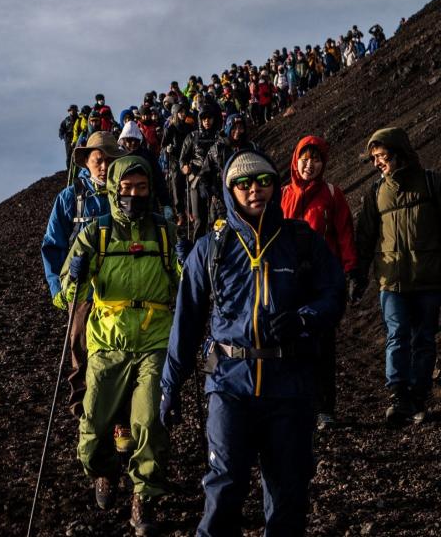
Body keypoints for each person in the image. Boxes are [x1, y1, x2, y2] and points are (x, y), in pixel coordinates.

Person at [161, 150, 346, 536]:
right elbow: (187, 321)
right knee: (225, 485)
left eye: (263, 181)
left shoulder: (300, 240)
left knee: (287, 494)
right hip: (230, 384)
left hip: (289, 385)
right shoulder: (210, 249)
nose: (254, 190)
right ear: (230, 191)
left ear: (275, 185)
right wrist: (169, 386)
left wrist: (302, 319)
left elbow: (333, 293)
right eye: (243, 184)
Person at [60, 155, 181, 534]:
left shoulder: (164, 233)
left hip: (155, 339)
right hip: (108, 341)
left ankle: (143, 496)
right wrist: (74, 276)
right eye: (126, 188)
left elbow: (185, 286)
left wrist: (186, 261)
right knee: (93, 425)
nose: (133, 195)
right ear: (113, 189)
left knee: (148, 420)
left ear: (150, 190)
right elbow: (67, 295)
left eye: (141, 188)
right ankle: (105, 471)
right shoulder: (95, 234)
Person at [353, 127, 441, 425]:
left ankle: (418, 395)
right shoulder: (376, 193)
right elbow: (364, 237)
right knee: (397, 334)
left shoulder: (431, 183)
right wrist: (358, 274)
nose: (377, 162)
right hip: (391, 281)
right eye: (374, 157)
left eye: (382, 155)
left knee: (424, 339)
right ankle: (398, 395)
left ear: (399, 152)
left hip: (428, 278)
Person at [281, 135, 359, 430]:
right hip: (288, 280)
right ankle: (295, 405)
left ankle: (324, 409)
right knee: (289, 344)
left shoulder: (331, 194)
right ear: (295, 159)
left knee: (323, 346)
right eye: (304, 158)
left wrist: (351, 271)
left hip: (321, 282)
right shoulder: (282, 194)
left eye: (316, 159)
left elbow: (344, 235)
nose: (309, 165)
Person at [43, 132, 122, 418]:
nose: (104, 166)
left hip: (119, 287)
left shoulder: (127, 195)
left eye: (110, 161)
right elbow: (53, 245)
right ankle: (83, 410)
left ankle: (116, 415)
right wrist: (57, 288)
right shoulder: (69, 198)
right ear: (86, 162)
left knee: (116, 349)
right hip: (83, 288)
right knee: (79, 345)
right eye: (98, 160)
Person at [200, 114, 258, 227]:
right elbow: (204, 173)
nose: (237, 131)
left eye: (240, 127)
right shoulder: (217, 149)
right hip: (222, 200)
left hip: (246, 197)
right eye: (234, 128)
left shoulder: (251, 147)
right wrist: (209, 190)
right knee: (221, 233)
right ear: (228, 128)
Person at [179, 104, 222, 241]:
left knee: (216, 220)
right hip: (196, 182)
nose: (207, 121)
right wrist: (184, 167)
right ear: (200, 120)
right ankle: (197, 250)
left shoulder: (219, 137)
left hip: (215, 182)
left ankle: (216, 250)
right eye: (204, 119)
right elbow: (182, 159)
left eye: (209, 118)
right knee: (199, 220)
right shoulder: (192, 137)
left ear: (214, 119)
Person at [119, 121, 171, 216]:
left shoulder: (147, 156)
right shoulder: (118, 157)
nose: (133, 143)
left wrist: (166, 203)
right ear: (123, 140)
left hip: (147, 200)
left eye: (136, 140)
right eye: (130, 140)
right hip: (125, 201)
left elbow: (158, 179)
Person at [59, 105, 80, 171]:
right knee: (69, 155)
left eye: (74, 110)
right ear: (69, 111)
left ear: (76, 111)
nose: (72, 111)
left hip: (77, 138)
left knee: (77, 154)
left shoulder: (79, 119)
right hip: (68, 138)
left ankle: (77, 169)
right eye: (71, 110)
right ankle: (69, 169)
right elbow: (61, 129)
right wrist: (62, 136)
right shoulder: (66, 120)